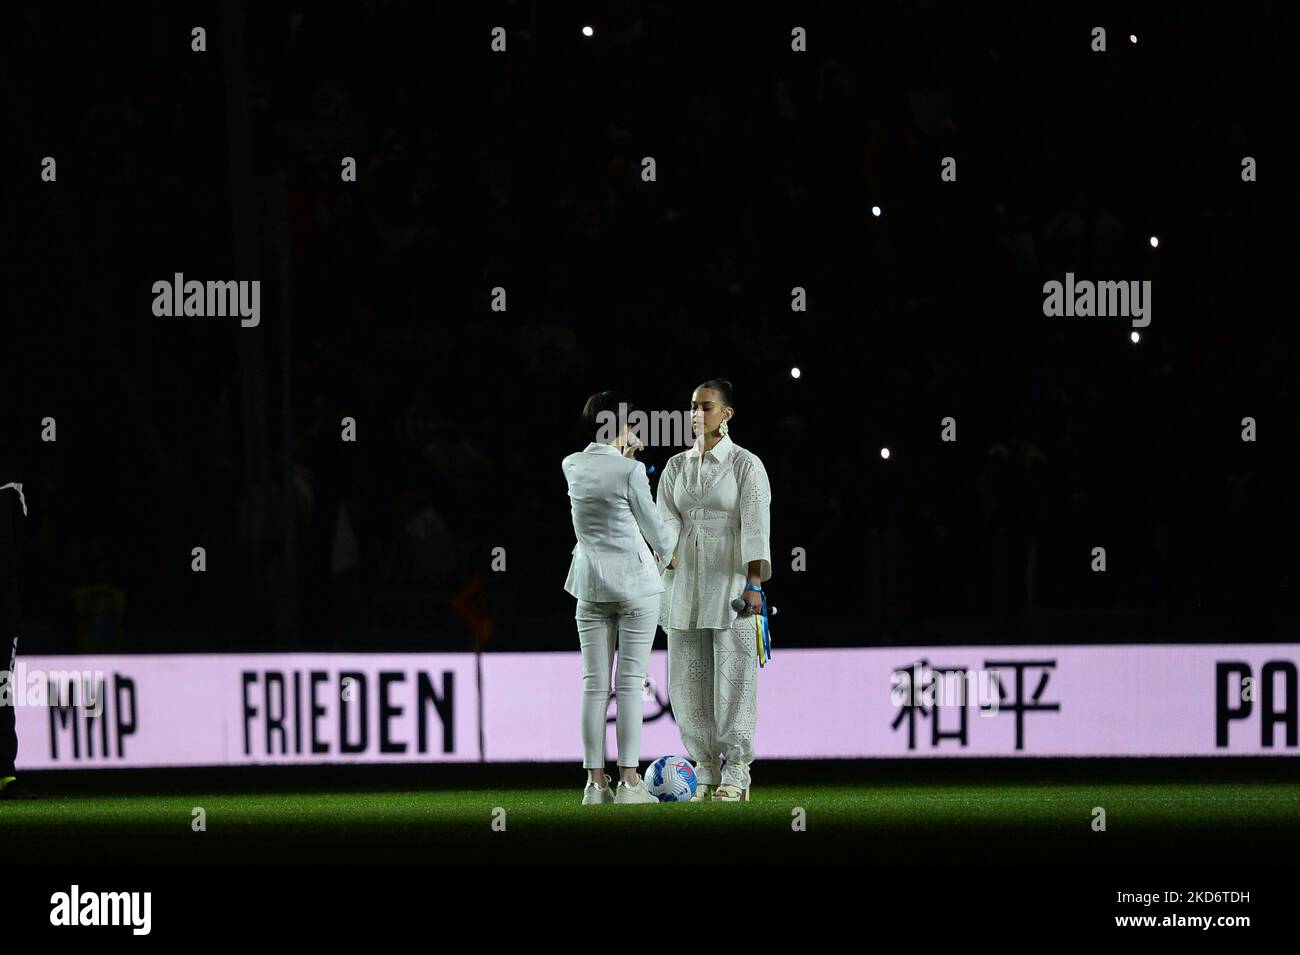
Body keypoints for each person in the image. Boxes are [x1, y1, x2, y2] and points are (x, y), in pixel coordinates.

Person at [657, 379, 772, 801]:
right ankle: (703, 766)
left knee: (735, 673)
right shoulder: (675, 467)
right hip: (684, 581)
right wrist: (665, 552)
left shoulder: (746, 465)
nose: (696, 413)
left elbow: (756, 527)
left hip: (731, 580)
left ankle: (737, 770)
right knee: (688, 678)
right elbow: (664, 518)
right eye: (692, 406)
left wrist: (754, 582)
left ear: (726, 414)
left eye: (706, 406)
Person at [562, 391, 675, 805]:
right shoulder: (630, 470)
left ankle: (595, 783)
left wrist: (625, 455)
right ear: (618, 428)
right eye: (631, 426)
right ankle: (629, 781)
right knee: (629, 685)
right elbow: (658, 532)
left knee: (594, 685)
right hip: (634, 585)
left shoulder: (571, 465)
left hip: (590, 587)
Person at [0, 440, 36, 800]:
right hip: (7, 597)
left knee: (0, 687)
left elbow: (27, 543)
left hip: (4, 600)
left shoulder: (12, 483)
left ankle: (4, 776)